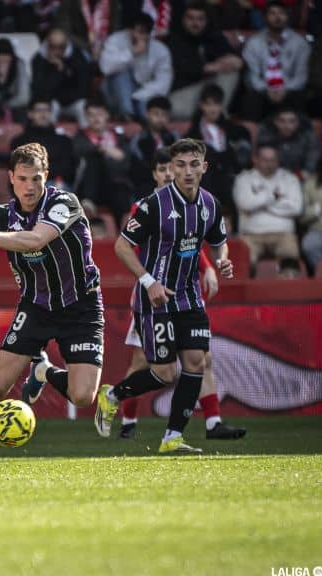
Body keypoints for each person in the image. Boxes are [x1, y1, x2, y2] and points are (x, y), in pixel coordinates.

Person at [0, 142, 104, 467]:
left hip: (81, 306)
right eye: (23, 178)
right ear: (10, 177)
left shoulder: (63, 202)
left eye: (36, 178)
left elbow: (35, 240)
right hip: (35, 306)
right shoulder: (2, 215)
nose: (30, 186)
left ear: (46, 177)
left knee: (83, 396)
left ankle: (44, 370)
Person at [95, 138, 234, 454]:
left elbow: (218, 240)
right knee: (164, 371)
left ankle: (172, 437)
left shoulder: (210, 204)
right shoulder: (153, 204)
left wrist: (222, 259)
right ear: (171, 168)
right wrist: (148, 281)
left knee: (196, 361)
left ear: (204, 167)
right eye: (181, 165)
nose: (187, 171)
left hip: (189, 296)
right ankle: (113, 395)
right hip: (154, 298)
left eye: (193, 164)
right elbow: (121, 246)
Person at [186, 84, 253, 231]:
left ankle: (235, 232)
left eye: (216, 104)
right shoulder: (192, 134)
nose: (212, 109)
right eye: (208, 104)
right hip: (205, 179)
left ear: (222, 106)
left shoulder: (236, 131)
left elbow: (242, 160)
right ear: (201, 106)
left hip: (231, 176)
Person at [233, 144, 303, 274]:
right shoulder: (244, 179)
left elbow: (296, 208)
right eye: (265, 160)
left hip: (283, 234)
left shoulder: (289, 179)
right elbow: (245, 204)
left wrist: (263, 204)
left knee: (290, 264)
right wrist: (273, 197)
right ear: (256, 159)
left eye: (273, 160)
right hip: (251, 235)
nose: (269, 164)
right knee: (242, 265)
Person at [165, 2, 242, 120]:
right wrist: (212, 67)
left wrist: (237, 61)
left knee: (231, 73)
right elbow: (184, 69)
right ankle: (212, 115)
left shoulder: (213, 36)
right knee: (171, 109)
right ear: (183, 19)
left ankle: (217, 115)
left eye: (200, 19)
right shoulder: (174, 39)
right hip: (183, 94)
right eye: (191, 18)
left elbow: (235, 60)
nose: (195, 23)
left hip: (211, 93)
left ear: (206, 21)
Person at [240, 1, 310, 120]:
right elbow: (252, 76)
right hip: (262, 91)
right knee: (250, 99)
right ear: (265, 17)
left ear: (288, 16)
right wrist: (268, 89)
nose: (277, 17)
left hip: (289, 90)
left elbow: (301, 76)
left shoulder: (300, 43)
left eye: (281, 13)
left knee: (300, 98)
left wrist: (284, 89)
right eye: (272, 13)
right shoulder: (253, 43)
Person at [98, 13, 173, 121]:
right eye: (138, 31)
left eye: (145, 32)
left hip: (144, 93)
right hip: (114, 91)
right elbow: (105, 68)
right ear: (129, 30)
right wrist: (132, 52)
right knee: (121, 73)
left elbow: (164, 81)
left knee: (147, 113)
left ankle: (140, 120)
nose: (141, 37)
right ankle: (126, 114)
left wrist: (138, 95)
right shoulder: (115, 40)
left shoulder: (160, 50)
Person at [72, 98, 134, 220]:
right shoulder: (80, 137)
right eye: (91, 115)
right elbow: (79, 151)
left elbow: (126, 162)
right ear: (86, 117)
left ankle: (124, 234)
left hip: (114, 186)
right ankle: (88, 201)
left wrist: (115, 156)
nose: (96, 118)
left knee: (121, 194)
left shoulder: (119, 137)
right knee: (94, 158)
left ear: (107, 115)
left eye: (99, 114)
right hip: (89, 188)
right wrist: (106, 149)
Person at [31, 27, 93, 127]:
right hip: (53, 103)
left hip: (74, 102)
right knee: (47, 107)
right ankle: (48, 138)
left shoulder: (78, 57)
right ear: (47, 44)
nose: (57, 51)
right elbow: (40, 91)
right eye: (52, 47)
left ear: (66, 44)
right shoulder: (39, 59)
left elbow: (84, 89)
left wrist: (64, 69)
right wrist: (56, 71)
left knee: (83, 106)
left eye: (61, 47)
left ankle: (88, 140)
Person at [10, 99, 76, 189]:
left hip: (57, 184)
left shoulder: (63, 141)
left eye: (47, 110)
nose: (43, 114)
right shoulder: (20, 141)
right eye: (39, 111)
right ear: (30, 114)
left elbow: (67, 169)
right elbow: (21, 171)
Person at [129, 95, 177, 198]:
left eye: (164, 115)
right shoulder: (138, 140)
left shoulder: (174, 138)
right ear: (147, 114)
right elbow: (138, 170)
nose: (160, 118)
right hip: (148, 185)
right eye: (156, 114)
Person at [256, 106, 319, 177]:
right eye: (282, 121)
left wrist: (297, 177)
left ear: (298, 123)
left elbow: (311, 164)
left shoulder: (308, 137)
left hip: (301, 178)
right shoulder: (266, 136)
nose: (287, 126)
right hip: (270, 176)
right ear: (275, 122)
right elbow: (262, 162)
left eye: (292, 121)